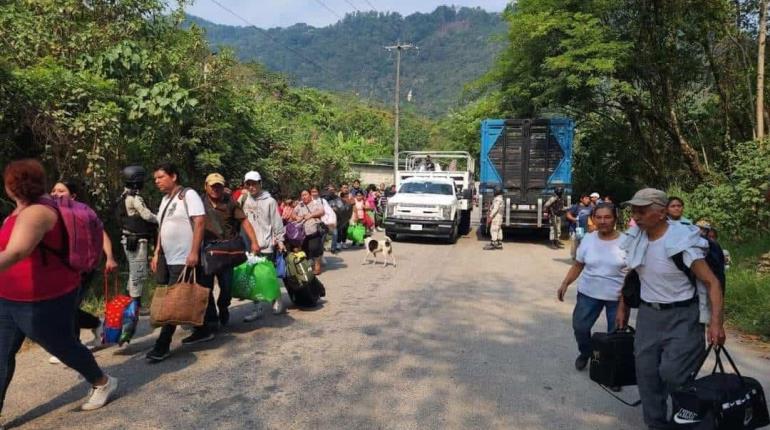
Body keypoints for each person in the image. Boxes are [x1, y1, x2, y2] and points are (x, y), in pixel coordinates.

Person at [0, 159, 118, 414]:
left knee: (63, 347)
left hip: (43, 298)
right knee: (1, 354)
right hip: (9, 297)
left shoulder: (38, 212)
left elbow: (17, 252)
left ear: (11, 186)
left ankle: (103, 382)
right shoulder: (19, 209)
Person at [616, 188, 725, 429]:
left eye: (642, 210)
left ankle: (687, 415)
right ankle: (656, 424)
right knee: (646, 375)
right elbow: (631, 275)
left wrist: (716, 323)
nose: (636, 215)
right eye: (634, 210)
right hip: (648, 316)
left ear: (662, 212)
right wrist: (622, 306)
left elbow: (712, 282)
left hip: (683, 316)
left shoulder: (682, 242)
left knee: (673, 373)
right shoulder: (636, 239)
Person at [147, 163, 215, 363]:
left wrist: (194, 251)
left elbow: (200, 222)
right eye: (155, 179)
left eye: (160, 177)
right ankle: (203, 329)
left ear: (173, 176)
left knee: (174, 301)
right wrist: (157, 251)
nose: (157, 181)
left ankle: (162, 345)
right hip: (168, 257)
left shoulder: (189, 195)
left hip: (183, 257)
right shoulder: (164, 200)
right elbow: (162, 227)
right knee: (182, 293)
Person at [47, 180, 118, 364]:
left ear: (73, 195)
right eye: (53, 190)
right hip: (61, 269)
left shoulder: (84, 212)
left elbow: (101, 234)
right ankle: (96, 325)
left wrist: (109, 256)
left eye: (61, 190)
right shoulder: (50, 212)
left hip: (84, 268)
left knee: (68, 307)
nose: (55, 193)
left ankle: (72, 347)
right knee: (66, 307)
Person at [557, 204, 625, 375]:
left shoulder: (627, 242)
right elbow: (579, 264)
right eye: (599, 217)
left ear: (615, 219)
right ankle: (586, 352)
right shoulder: (588, 238)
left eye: (607, 217)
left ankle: (612, 373)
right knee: (580, 327)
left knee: (615, 336)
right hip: (588, 293)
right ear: (593, 219)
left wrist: (624, 305)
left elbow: (632, 276)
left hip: (616, 297)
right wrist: (565, 283)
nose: (603, 221)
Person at [200, 173, 259, 326]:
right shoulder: (199, 202)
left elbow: (244, 221)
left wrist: (254, 242)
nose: (215, 189)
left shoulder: (230, 202)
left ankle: (223, 306)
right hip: (206, 250)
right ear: (206, 186)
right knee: (206, 287)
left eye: (219, 186)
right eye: (212, 186)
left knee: (226, 286)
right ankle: (211, 319)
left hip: (226, 251)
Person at [237, 171, 286, 322]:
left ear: (260, 183)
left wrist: (280, 240)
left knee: (268, 275)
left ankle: (275, 299)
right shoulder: (244, 199)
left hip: (265, 245)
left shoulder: (270, 201)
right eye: (248, 184)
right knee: (253, 277)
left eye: (254, 183)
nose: (251, 187)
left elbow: (276, 222)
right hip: (249, 245)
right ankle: (257, 307)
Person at [116, 165, 157, 309]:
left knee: (134, 272)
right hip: (137, 240)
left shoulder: (123, 196)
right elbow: (146, 215)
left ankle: (131, 304)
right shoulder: (134, 198)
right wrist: (159, 219)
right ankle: (134, 307)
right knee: (138, 272)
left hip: (128, 239)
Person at [292, 189, 325, 275]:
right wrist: (296, 217)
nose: (304, 197)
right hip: (302, 233)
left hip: (314, 230)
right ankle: (307, 268)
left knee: (315, 249)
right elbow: (293, 214)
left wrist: (311, 215)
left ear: (310, 195)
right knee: (305, 250)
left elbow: (322, 211)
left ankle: (317, 267)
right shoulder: (300, 205)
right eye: (302, 195)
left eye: (305, 194)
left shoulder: (316, 203)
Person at [566, 194, 594, 260]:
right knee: (575, 244)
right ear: (581, 199)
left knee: (584, 243)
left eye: (588, 199)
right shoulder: (576, 206)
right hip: (577, 229)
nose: (588, 200)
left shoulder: (591, 207)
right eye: (586, 198)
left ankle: (583, 258)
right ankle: (574, 257)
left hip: (587, 228)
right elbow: (568, 214)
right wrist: (574, 219)